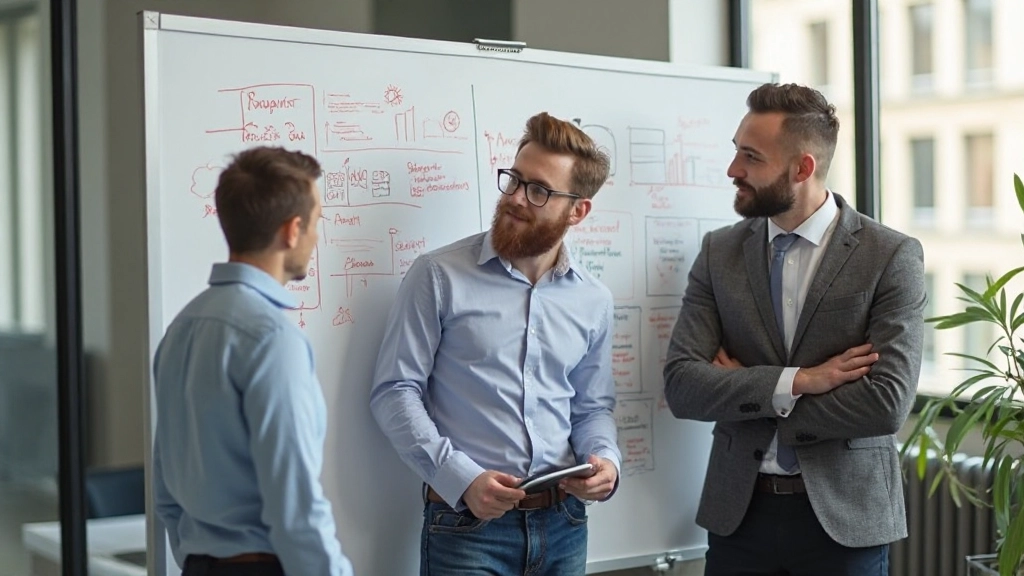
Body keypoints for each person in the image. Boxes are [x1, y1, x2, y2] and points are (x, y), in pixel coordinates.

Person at [663, 83, 925, 576]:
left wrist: (749, 392)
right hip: (738, 518)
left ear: (801, 168)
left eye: (750, 157)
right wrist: (799, 381)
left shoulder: (890, 255)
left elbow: (886, 402)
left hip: (844, 522)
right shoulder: (719, 252)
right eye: (735, 151)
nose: (733, 170)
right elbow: (682, 387)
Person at [371, 112, 621, 575]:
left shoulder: (593, 299)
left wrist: (605, 459)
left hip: (565, 523)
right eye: (514, 180)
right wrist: (460, 479)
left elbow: (591, 407)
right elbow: (394, 391)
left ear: (577, 211)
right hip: (467, 525)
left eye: (539, 190)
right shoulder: (438, 275)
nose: (516, 199)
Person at [152, 146, 353, 576]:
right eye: (317, 222)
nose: (318, 236)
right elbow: (296, 508)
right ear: (292, 230)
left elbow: (167, 495)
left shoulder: (181, 328)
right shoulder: (271, 339)